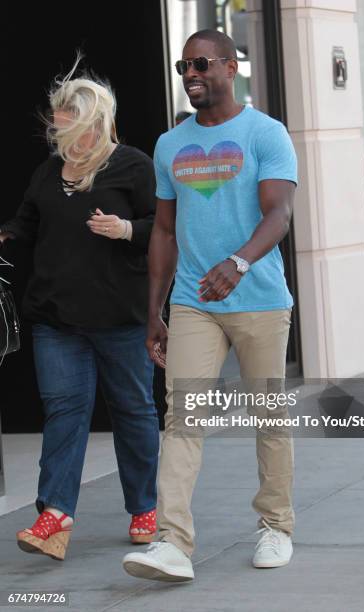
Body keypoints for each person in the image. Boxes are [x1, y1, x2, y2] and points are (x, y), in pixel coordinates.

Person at [122, 29, 297, 582]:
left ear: (230, 65)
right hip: (194, 300)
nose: (191, 74)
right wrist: (156, 310)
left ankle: (275, 526)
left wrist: (239, 262)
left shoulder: (266, 133)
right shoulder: (170, 144)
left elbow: (279, 215)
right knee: (183, 417)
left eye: (201, 64)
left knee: (268, 416)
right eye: (183, 67)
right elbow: (164, 232)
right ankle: (174, 543)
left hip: (260, 298)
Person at [0, 59, 159, 560]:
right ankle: (55, 516)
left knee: (133, 411)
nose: (57, 128)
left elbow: (166, 229)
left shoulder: (133, 166)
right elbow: (24, 225)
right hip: (56, 319)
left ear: (92, 122)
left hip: (120, 317)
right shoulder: (48, 172)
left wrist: (127, 229)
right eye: (56, 119)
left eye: (66, 119)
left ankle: (144, 506)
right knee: (64, 412)